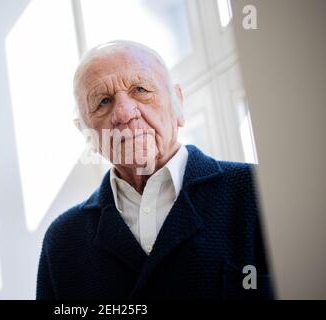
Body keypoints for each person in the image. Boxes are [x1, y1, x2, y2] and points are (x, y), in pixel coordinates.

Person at [36, 40, 273, 299]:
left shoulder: (260, 190)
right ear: (86, 132)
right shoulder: (63, 241)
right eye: (103, 101)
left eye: (140, 89)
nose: (125, 113)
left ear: (178, 104)